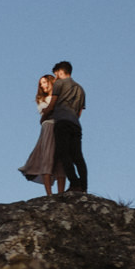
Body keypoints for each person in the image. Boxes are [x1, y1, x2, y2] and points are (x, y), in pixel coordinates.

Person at [41, 60, 87, 193]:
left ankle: (74, 182)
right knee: (78, 156)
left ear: (61, 71)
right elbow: (79, 111)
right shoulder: (80, 89)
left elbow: (53, 103)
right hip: (75, 124)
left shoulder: (59, 83)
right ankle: (83, 186)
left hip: (62, 121)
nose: (55, 77)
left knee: (63, 152)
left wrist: (45, 114)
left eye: (56, 74)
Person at [19, 74, 66, 195]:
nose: (43, 85)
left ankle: (61, 193)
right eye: (41, 84)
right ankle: (49, 193)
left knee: (61, 159)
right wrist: (48, 112)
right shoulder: (42, 99)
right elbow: (46, 113)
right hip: (49, 127)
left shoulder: (59, 96)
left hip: (60, 126)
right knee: (48, 157)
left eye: (45, 82)